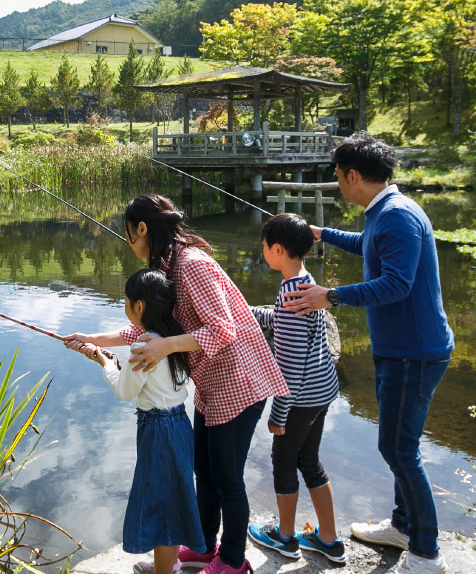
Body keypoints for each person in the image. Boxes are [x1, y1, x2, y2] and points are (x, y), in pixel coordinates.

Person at [62, 194, 287, 574]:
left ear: (143, 229)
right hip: (211, 385)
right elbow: (145, 328)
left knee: (227, 478)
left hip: (238, 381)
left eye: (128, 233)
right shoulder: (167, 264)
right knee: (203, 468)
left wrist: (165, 345)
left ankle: (234, 561)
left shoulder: (192, 264)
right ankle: (202, 546)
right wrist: (96, 339)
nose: (128, 241)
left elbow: (222, 329)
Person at [283, 132, 455, 574]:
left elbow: (397, 284)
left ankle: (426, 553)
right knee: (401, 445)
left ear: (353, 175)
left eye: (339, 177)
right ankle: (403, 526)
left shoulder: (396, 216)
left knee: (400, 451)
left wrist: (331, 295)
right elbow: (368, 246)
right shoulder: (385, 212)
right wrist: (324, 234)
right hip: (402, 350)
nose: (339, 184)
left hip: (413, 353)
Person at [67, 269, 204, 574]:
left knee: (163, 502)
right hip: (180, 424)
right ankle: (166, 564)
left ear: (139, 306)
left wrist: (102, 361)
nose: (125, 306)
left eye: (126, 301)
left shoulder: (143, 346)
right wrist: (109, 357)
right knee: (168, 495)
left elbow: (124, 390)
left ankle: (167, 571)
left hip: (158, 431)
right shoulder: (171, 337)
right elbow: (140, 380)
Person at [244, 213, 344, 565]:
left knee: (284, 463)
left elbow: (288, 365)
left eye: (264, 247)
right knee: (310, 460)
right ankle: (328, 539)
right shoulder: (304, 282)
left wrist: (278, 414)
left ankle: (285, 538)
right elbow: (284, 320)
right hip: (323, 389)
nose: (262, 252)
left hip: (300, 398)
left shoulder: (289, 295)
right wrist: (249, 312)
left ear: (277, 249)